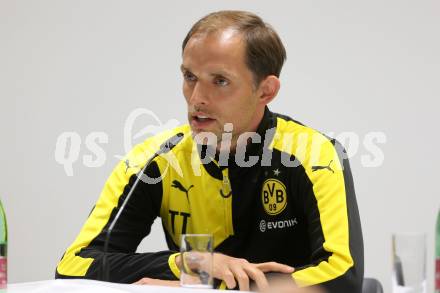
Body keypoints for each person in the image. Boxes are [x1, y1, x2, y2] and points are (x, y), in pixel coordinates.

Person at [55, 10, 364, 293]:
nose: (197, 99)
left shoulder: (315, 154)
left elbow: (341, 275)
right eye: (190, 77)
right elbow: (72, 267)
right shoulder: (155, 161)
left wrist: (215, 288)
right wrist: (189, 263)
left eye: (220, 81)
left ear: (266, 90)